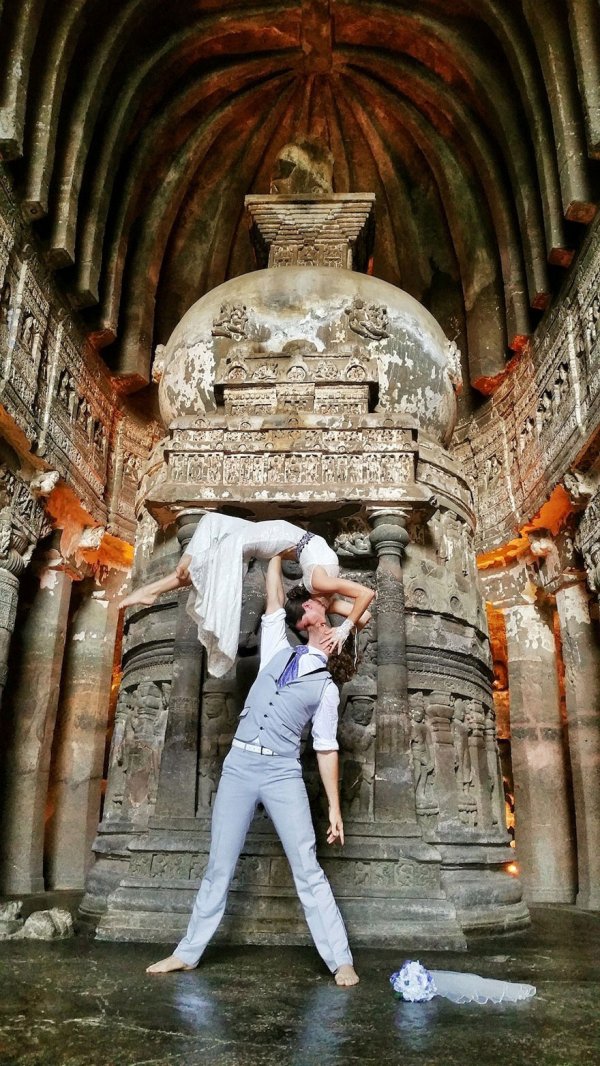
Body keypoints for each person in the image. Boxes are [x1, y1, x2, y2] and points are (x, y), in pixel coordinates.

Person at [146, 555, 360, 987]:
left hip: (282, 773)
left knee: (307, 866)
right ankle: (187, 953)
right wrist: (275, 553)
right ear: (312, 626)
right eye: (317, 615)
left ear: (338, 639)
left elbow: (325, 749)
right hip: (239, 766)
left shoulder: (326, 690)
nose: (322, 618)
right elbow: (274, 600)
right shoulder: (280, 649)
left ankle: (341, 960)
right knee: (218, 865)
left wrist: (335, 808)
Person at [121, 513, 374, 677]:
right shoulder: (322, 585)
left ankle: (154, 588)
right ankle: (159, 584)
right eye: (313, 623)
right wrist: (342, 631)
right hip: (282, 535)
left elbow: (362, 616)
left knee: (214, 533)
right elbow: (366, 598)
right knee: (212, 541)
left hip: (281, 539)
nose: (318, 622)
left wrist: (339, 630)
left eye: (309, 625)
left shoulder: (324, 599)